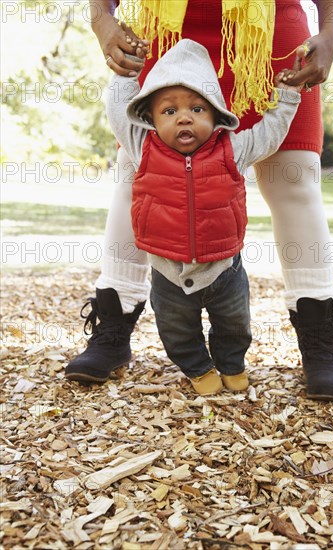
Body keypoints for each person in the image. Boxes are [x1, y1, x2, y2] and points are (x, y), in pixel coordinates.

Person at [65, 0, 333, 403]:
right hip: (165, 35)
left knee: (295, 179)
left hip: (271, 33)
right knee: (138, 172)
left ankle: (319, 344)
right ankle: (113, 327)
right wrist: (102, 20)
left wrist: (332, 31)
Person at [105, 38, 301, 395]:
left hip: (225, 267)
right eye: (169, 111)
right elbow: (118, 110)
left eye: (197, 109)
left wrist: (287, 95)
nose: (184, 117)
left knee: (235, 323)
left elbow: (270, 134)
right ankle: (197, 367)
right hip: (168, 271)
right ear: (149, 118)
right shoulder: (142, 147)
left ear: (215, 115)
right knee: (176, 330)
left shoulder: (233, 148)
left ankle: (231, 363)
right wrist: (127, 74)